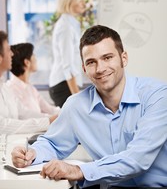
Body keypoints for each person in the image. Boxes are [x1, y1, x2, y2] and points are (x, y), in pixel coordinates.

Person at [12, 25, 167, 188]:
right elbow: (53, 143)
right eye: (92, 62)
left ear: (124, 58)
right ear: (84, 69)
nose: (100, 69)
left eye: (107, 58)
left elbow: (137, 159)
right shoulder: (76, 106)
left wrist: (79, 171)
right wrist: (31, 154)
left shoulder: (157, 96)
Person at [0, 30, 57, 134]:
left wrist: (54, 118)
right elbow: (3, 125)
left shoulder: (5, 88)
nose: (12, 54)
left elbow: (24, 113)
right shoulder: (11, 87)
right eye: (8, 50)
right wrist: (49, 121)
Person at [49, 0, 86, 107]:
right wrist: (77, 96)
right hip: (64, 85)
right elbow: (67, 66)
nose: (83, 3)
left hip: (67, 84)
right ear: (70, 1)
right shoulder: (66, 27)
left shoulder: (71, 24)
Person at [6, 42, 60, 119]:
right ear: (27, 62)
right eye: (33, 55)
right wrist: (51, 118)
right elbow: (26, 116)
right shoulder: (11, 89)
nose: (36, 58)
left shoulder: (30, 88)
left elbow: (49, 109)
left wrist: (65, 112)